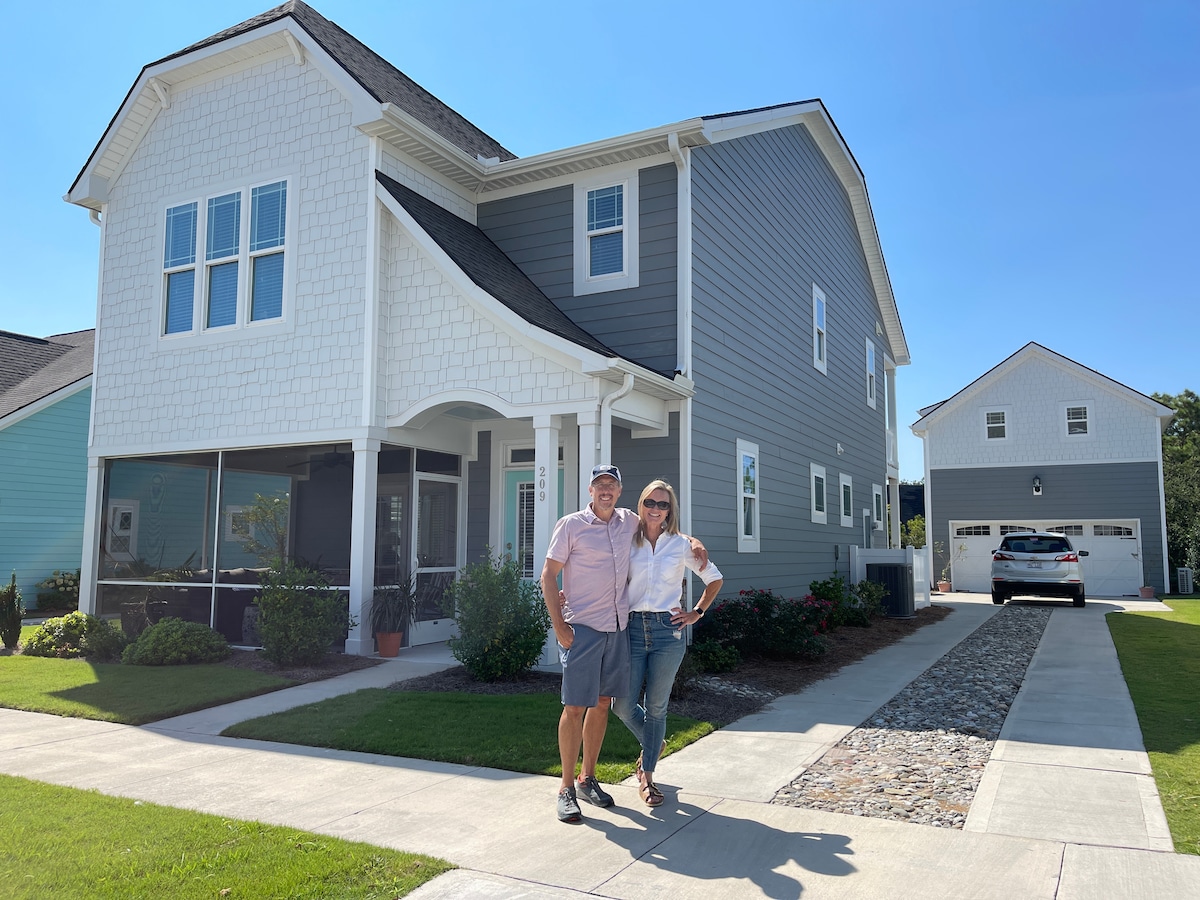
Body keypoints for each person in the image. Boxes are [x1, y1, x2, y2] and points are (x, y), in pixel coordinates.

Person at [542, 465, 707, 824]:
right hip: (581, 629)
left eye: (612, 485)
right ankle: (566, 789)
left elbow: (661, 522)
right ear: (590, 489)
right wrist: (559, 626)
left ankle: (588, 779)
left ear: (619, 491)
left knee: (602, 704)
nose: (605, 491)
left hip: (618, 628)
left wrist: (693, 541)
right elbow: (548, 575)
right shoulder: (571, 525)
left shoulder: (627, 522)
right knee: (574, 707)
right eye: (600, 485)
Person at [612, 479, 723, 807]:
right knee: (622, 705)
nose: (656, 509)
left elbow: (714, 578)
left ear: (670, 510)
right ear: (641, 504)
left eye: (663, 505)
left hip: (667, 631)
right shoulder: (628, 539)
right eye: (651, 503)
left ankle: (647, 777)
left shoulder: (681, 545)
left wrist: (697, 612)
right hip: (632, 628)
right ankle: (653, 742)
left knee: (657, 707)